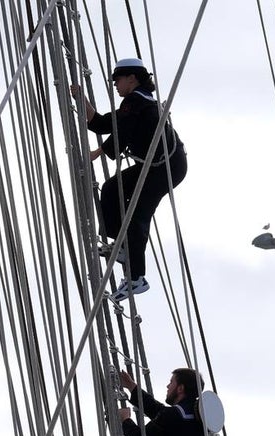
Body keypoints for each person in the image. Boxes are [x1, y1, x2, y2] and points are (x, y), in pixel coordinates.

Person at [71, 58, 187, 302]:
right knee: (111, 189)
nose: (114, 84)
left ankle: (136, 279)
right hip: (156, 166)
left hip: (165, 168)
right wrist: (81, 99)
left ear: (131, 78)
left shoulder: (138, 103)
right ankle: (122, 246)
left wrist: (96, 153)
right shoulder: (134, 104)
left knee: (137, 215)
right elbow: (105, 124)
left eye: (117, 79)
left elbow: (120, 135)